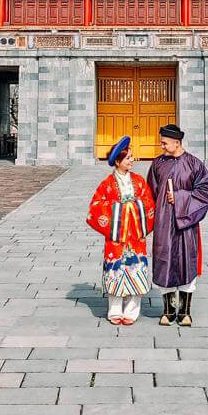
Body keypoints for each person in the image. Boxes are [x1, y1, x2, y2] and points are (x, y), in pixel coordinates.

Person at [147, 124, 208, 326]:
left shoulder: (194, 164)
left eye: (165, 143)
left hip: (186, 224)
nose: (161, 146)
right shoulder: (158, 164)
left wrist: (179, 198)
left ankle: (185, 312)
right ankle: (168, 311)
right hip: (164, 222)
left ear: (177, 142)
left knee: (187, 262)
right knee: (164, 261)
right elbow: (150, 193)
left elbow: (206, 191)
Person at [85, 135, 156, 325]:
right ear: (118, 161)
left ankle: (132, 310)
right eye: (128, 158)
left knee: (136, 268)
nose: (132, 160)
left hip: (135, 236)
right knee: (115, 270)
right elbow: (96, 206)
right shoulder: (107, 184)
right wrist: (120, 209)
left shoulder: (139, 181)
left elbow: (149, 202)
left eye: (132, 157)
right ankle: (115, 309)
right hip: (116, 237)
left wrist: (134, 207)